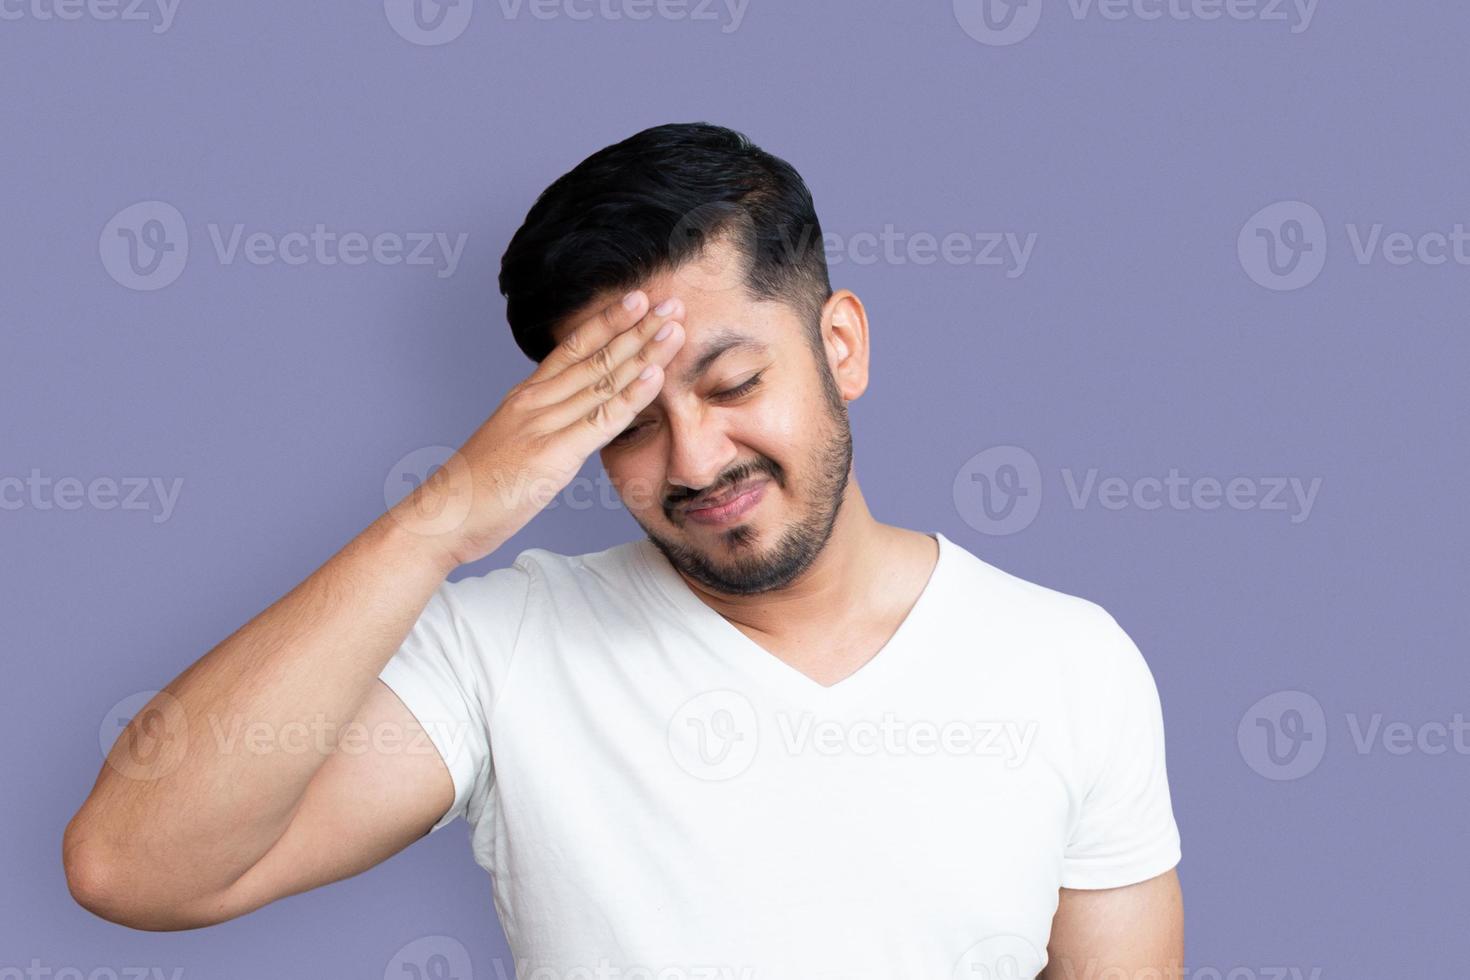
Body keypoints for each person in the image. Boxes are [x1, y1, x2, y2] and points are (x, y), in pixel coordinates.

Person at [63, 122, 1182, 978]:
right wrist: (440, 517)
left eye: (734, 383)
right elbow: (133, 863)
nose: (695, 459)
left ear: (839, 344)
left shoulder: (1070, 663)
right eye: (628, 420)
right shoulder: (505, 649)